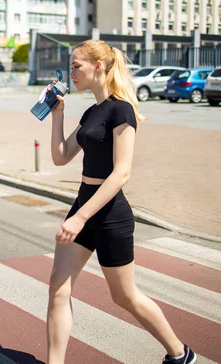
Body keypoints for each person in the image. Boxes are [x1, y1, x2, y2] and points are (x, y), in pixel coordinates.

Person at [46, 39, 197, 364]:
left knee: (124, 296)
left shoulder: (121, 110)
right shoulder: (91, 112)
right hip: (84, 204)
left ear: (98, 66)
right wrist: (57, 114)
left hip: (109, 213)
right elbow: (61, 157)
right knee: (58, 286)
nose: (71, 72)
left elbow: (121, 174)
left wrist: (80, 218)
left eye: (76, 66)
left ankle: (180, 353)